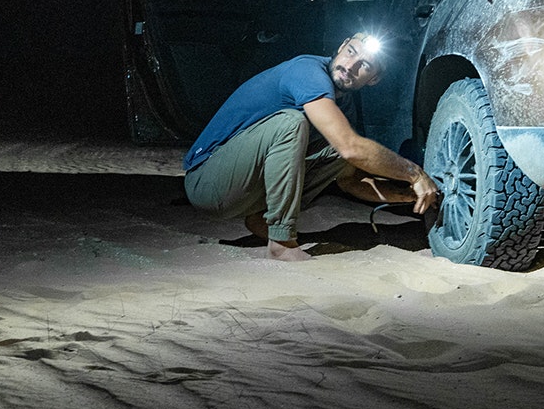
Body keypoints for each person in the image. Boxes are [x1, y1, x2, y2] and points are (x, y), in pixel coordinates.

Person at [182, 33, 440, 261]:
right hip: (207, 180)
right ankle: (281, 243)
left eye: (365, 65)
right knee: (292, 124)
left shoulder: (343, 104)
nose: (350, 66)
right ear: (341, 46)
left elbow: (350, 179)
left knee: (336, 152)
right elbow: (351, 147)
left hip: (241, 187)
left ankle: (263, 218)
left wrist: (406, 196)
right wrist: (414, 174)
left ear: (373, 79)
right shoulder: (308, 72)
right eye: (351, 52)